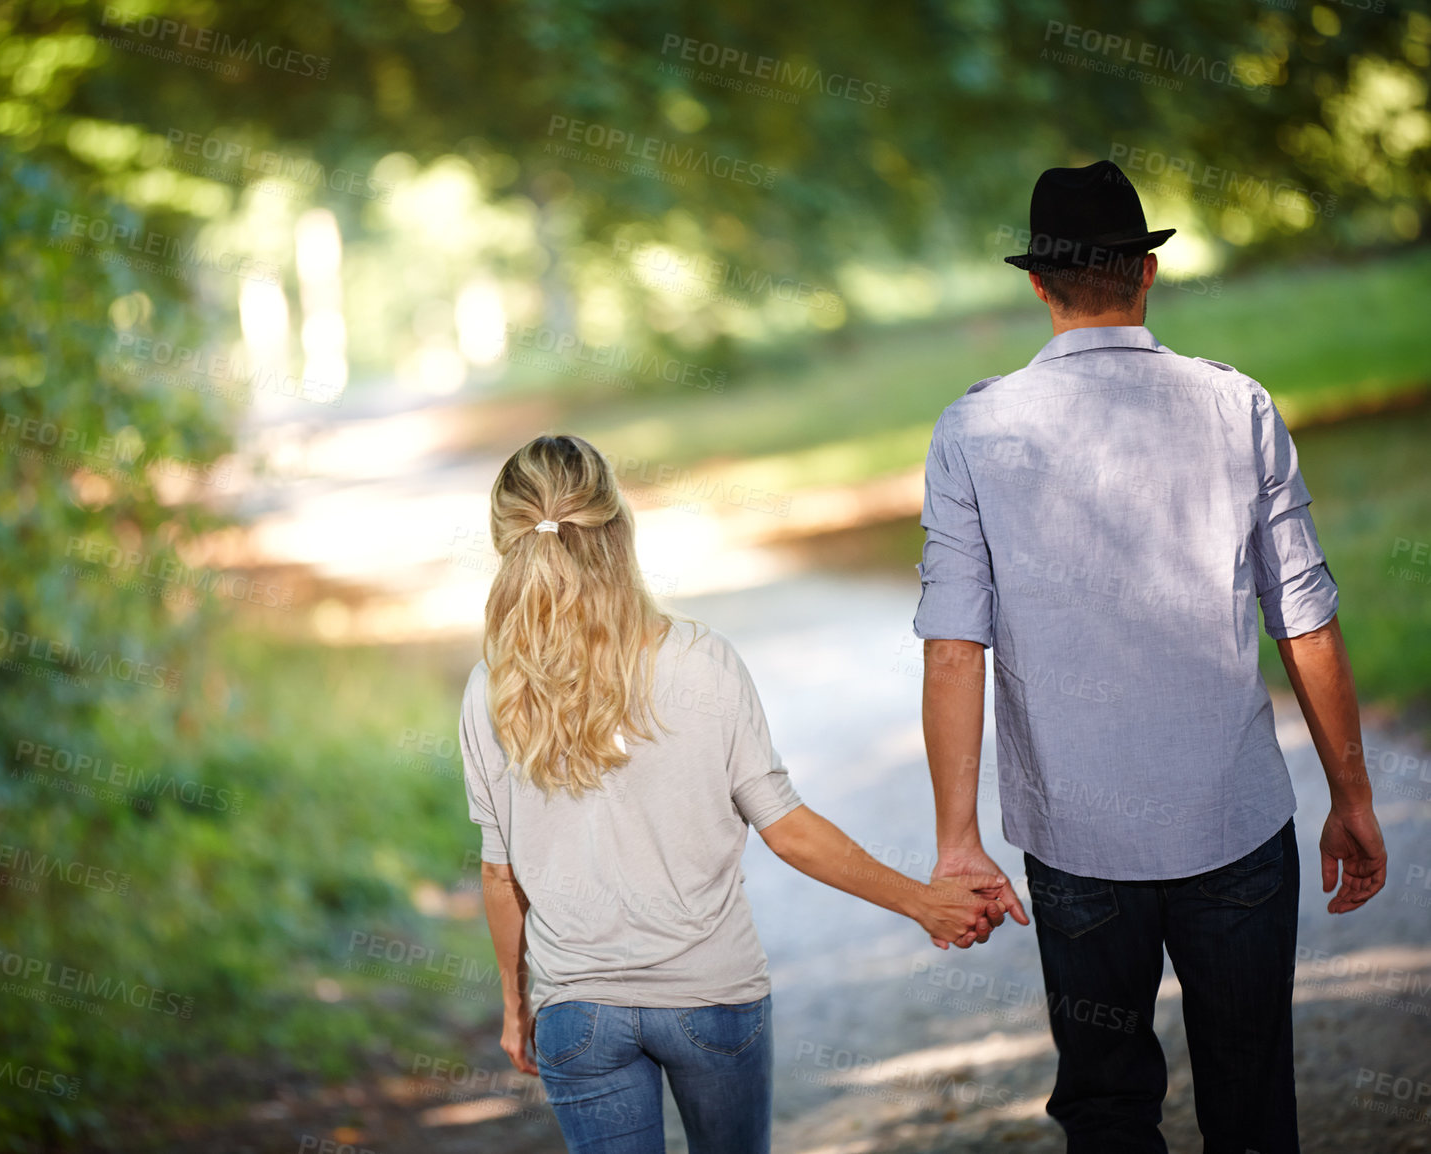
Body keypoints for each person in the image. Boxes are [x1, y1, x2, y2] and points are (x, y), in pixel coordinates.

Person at [913, 159, 1388, 1154]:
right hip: (1236, 820)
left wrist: (957, 836)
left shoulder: (973, 430)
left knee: (1104, 1097)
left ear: (1037, 284)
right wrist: (1352, 795)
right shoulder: (1237, 407)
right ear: (1145, 273)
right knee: (1250, 1094)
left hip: (1078, 838)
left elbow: (954, 645)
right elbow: (1301, 612)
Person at [462, 433, 1011, 1154]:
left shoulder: (493, 689)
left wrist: (516, 1001)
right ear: (619, 529)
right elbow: (787, 829)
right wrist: (922, 901)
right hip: (711, 998)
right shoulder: (702, 661)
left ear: (507, 541)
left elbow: (502, 874)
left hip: (578, 1009)